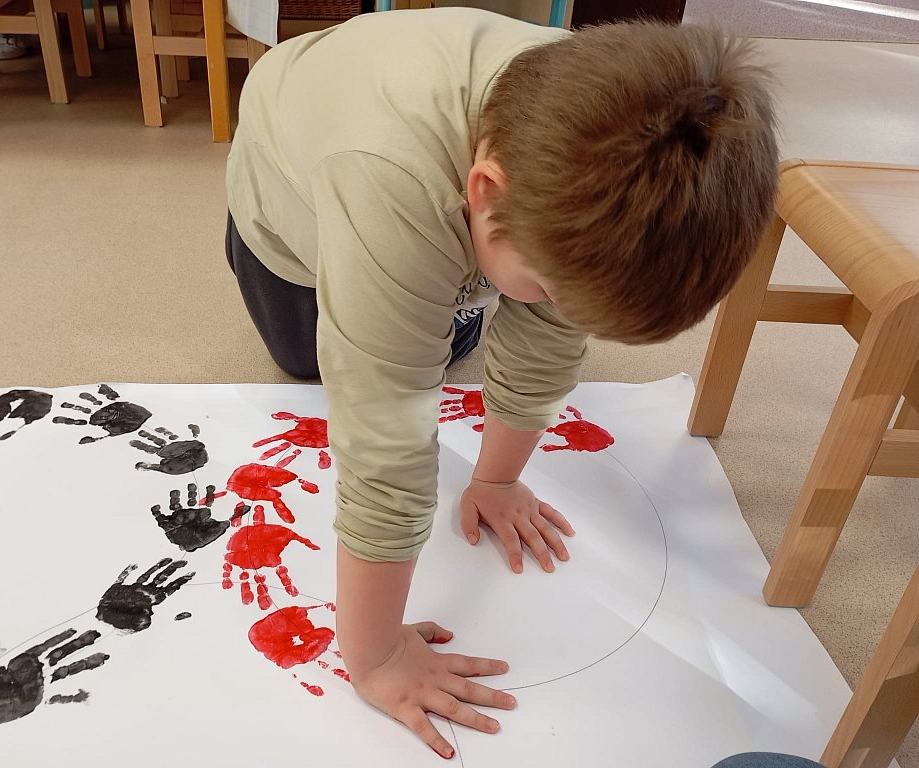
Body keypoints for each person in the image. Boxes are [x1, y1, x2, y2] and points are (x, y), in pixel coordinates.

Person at [224, 8, 778, 759]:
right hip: (286, 179)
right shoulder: (387, 178)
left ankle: (486, 281)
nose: (558, 313)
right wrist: (376, 656)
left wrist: (498, 478)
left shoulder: (594, 142)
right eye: (549, 293)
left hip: (433, 176)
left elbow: (548, 342)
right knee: (315, 360)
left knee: (479, 298)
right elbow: (384, 437)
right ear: (485, 190)